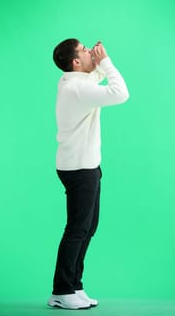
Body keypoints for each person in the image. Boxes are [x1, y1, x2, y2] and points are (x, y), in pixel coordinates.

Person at [48, 39, 129, 310]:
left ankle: (74, 286)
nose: (88, 51)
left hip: (85, 166)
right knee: (77, 229)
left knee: (87, 228)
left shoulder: (74, 82)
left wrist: (97, 64)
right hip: (79, 170)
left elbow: (94, 78)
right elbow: (120, 93)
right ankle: (61, 290)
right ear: (75, 62)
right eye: (83, 50)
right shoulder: (78, 87)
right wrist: (105, 61)